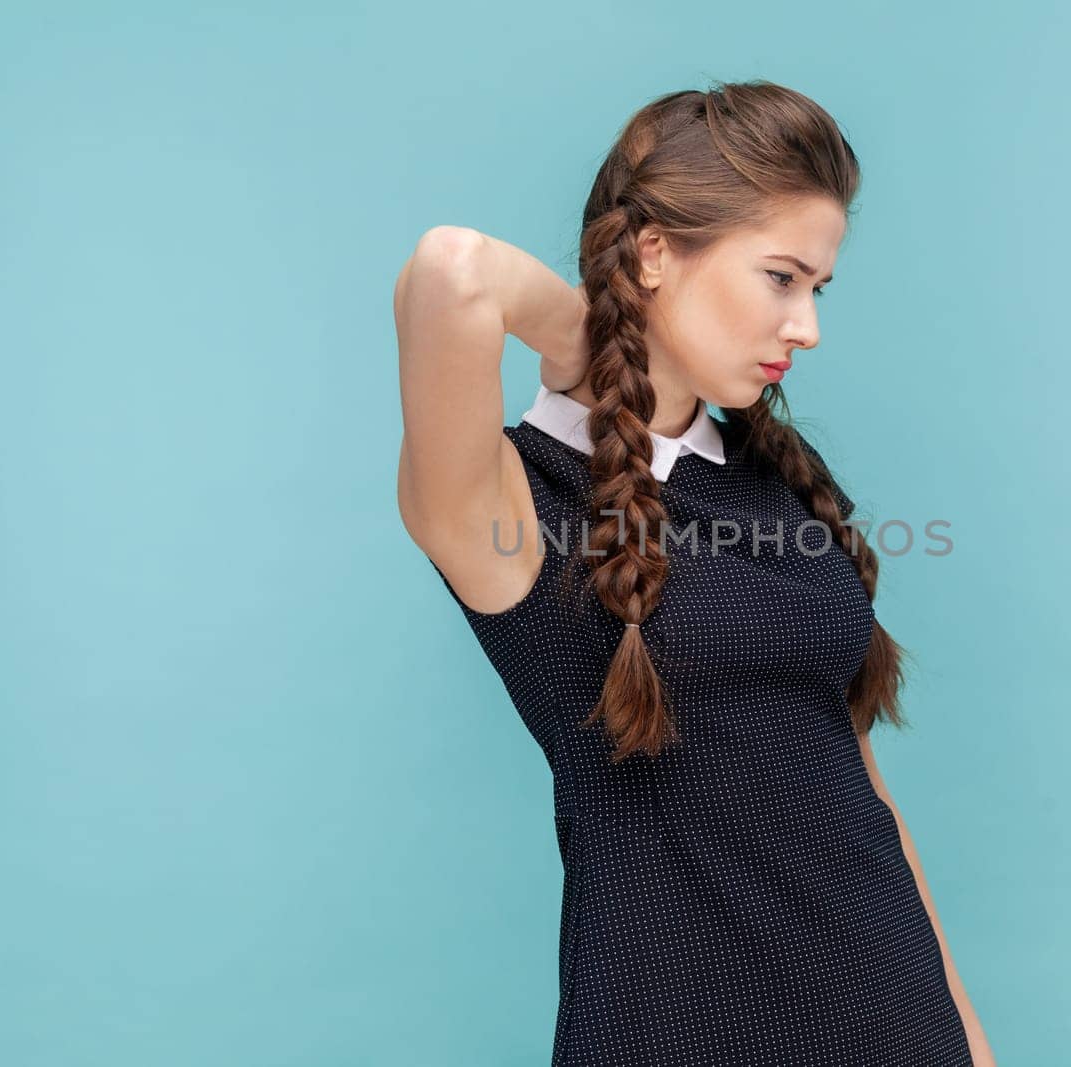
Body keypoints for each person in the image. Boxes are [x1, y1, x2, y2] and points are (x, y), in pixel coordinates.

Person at [394, 79, 996, 1066]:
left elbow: (856, 790)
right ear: (652, 251)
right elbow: (450, 271)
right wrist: (580, 347)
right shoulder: (511, 505)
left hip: (896, 1025)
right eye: (779, 277)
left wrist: (966, 1036)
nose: (805, 326)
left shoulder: (775, 485)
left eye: (818, 288)